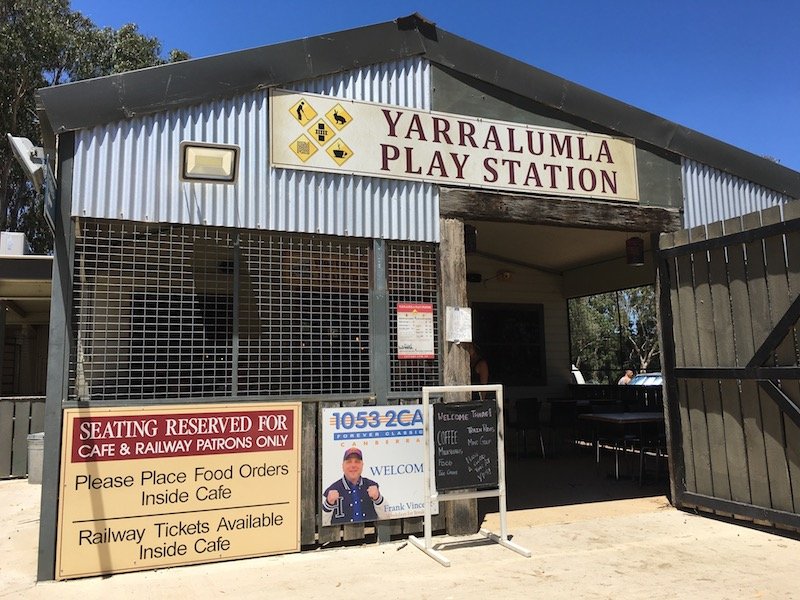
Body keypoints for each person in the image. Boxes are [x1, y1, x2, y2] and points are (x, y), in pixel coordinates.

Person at [322, 447, 386, 525]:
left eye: (357, 462)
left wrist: (378, 499)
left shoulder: (372, 486)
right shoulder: (331, 490)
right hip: (341, 537)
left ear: (362, 465)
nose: (353, 465)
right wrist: (328, 504)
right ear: (343, 466)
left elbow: (386, 517)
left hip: (370, 536)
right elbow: (323, 523)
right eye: (349, 462)